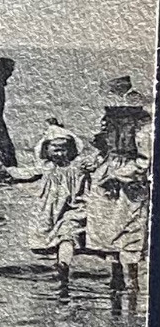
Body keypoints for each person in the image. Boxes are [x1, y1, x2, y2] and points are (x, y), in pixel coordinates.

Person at [63, 78, 151, 291]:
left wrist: (120, 175)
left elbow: (144, 161)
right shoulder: (110, 126)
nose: (115, 117)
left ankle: (131, 282)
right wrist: (94, 162)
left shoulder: (143, 131)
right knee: (108, 229)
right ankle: (116, 276)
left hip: (128, 184)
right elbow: (103, 149)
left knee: (131, 229)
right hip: (106, 178)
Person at [26, 117, 85, 288]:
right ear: (46, 150)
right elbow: (27, 173)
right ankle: (62, 266)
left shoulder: (77, 167)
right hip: (51, 212)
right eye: (55, 150)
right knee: (57, 238)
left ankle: (64, 265)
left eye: (64, 150)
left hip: (74, 208)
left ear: (71, 150)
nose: (60, 154)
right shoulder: (46, 167)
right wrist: (6, 172)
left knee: (68, 234)